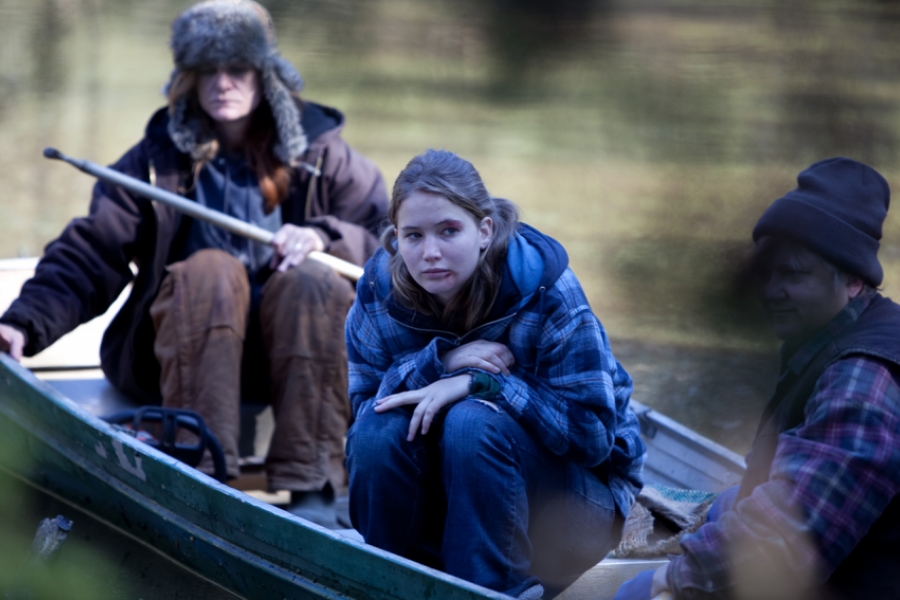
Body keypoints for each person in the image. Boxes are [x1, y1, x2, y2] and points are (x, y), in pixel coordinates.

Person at [0, 0, 387, 528]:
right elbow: (91, 252)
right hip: (185, 363)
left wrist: (325, 236)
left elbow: (390, 242)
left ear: (265, 74)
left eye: (237, 68)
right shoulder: (155, 161)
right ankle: (199, 478)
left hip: (297, 365)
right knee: (210, 270)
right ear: (188, 78)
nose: (222, 83)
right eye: (207, 70)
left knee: (312, 280)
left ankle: (315, 493)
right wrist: (24, 323)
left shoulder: (323, 156)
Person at [344, 149, 645, 599]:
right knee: (375, 434)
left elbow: (592, 438)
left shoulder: (548, 290)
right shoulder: (376, 292)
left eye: (449, 231)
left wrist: (483, 384)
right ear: (395, 237)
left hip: (575, 510)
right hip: (448, 500)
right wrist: (443, 362)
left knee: (473, 422)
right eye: (413, 236)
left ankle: (491, 591)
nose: (430, 253)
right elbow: (366, 412)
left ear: (484, 230)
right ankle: (392, 585)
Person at [614, 157, 900, 600]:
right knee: (721, 507)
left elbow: (780, 542)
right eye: (765, 273)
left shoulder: (863, 382)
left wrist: (667, 580)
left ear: (854, 280)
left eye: (792, 273)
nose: (769, 291)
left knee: (629, 593)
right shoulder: (834, 335)